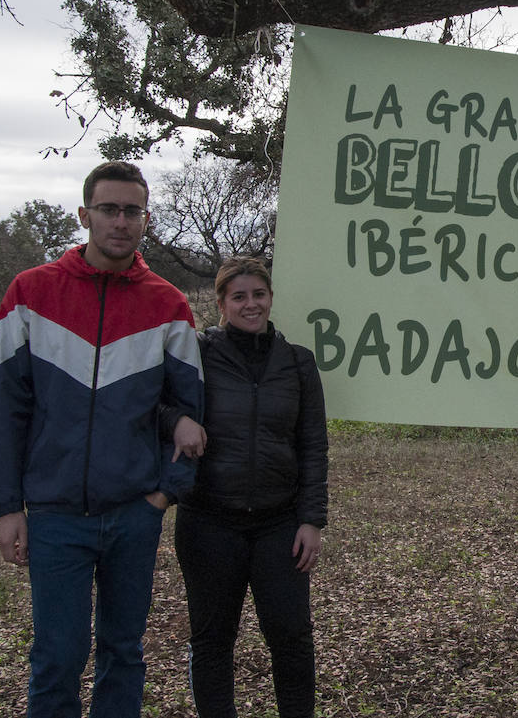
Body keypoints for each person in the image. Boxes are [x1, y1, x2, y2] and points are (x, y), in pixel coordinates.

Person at [0, 160, 206, 718]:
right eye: (109, 209)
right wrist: (7, 506)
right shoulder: (30, 294)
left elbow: (191, 411)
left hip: (134, 512)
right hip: (55, 516)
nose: (120, 221)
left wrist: (165, 495)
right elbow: (6, 408)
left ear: (145, 219)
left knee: (123, 653)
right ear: (85, 215)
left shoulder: (168, 304)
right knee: (57, 656)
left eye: (132, 211)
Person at [175, 256, 329, 718]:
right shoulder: (196, 355)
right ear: (221, 303)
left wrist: (311, 520)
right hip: (208, 521)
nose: (250, 304)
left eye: (258, 295)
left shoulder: (298, 363)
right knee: (212, 640)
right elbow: (158, 407)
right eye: (238, 296)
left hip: (278, 525)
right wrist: (176, 419)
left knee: (292, 636)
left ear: (270, 298)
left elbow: (313, 446)